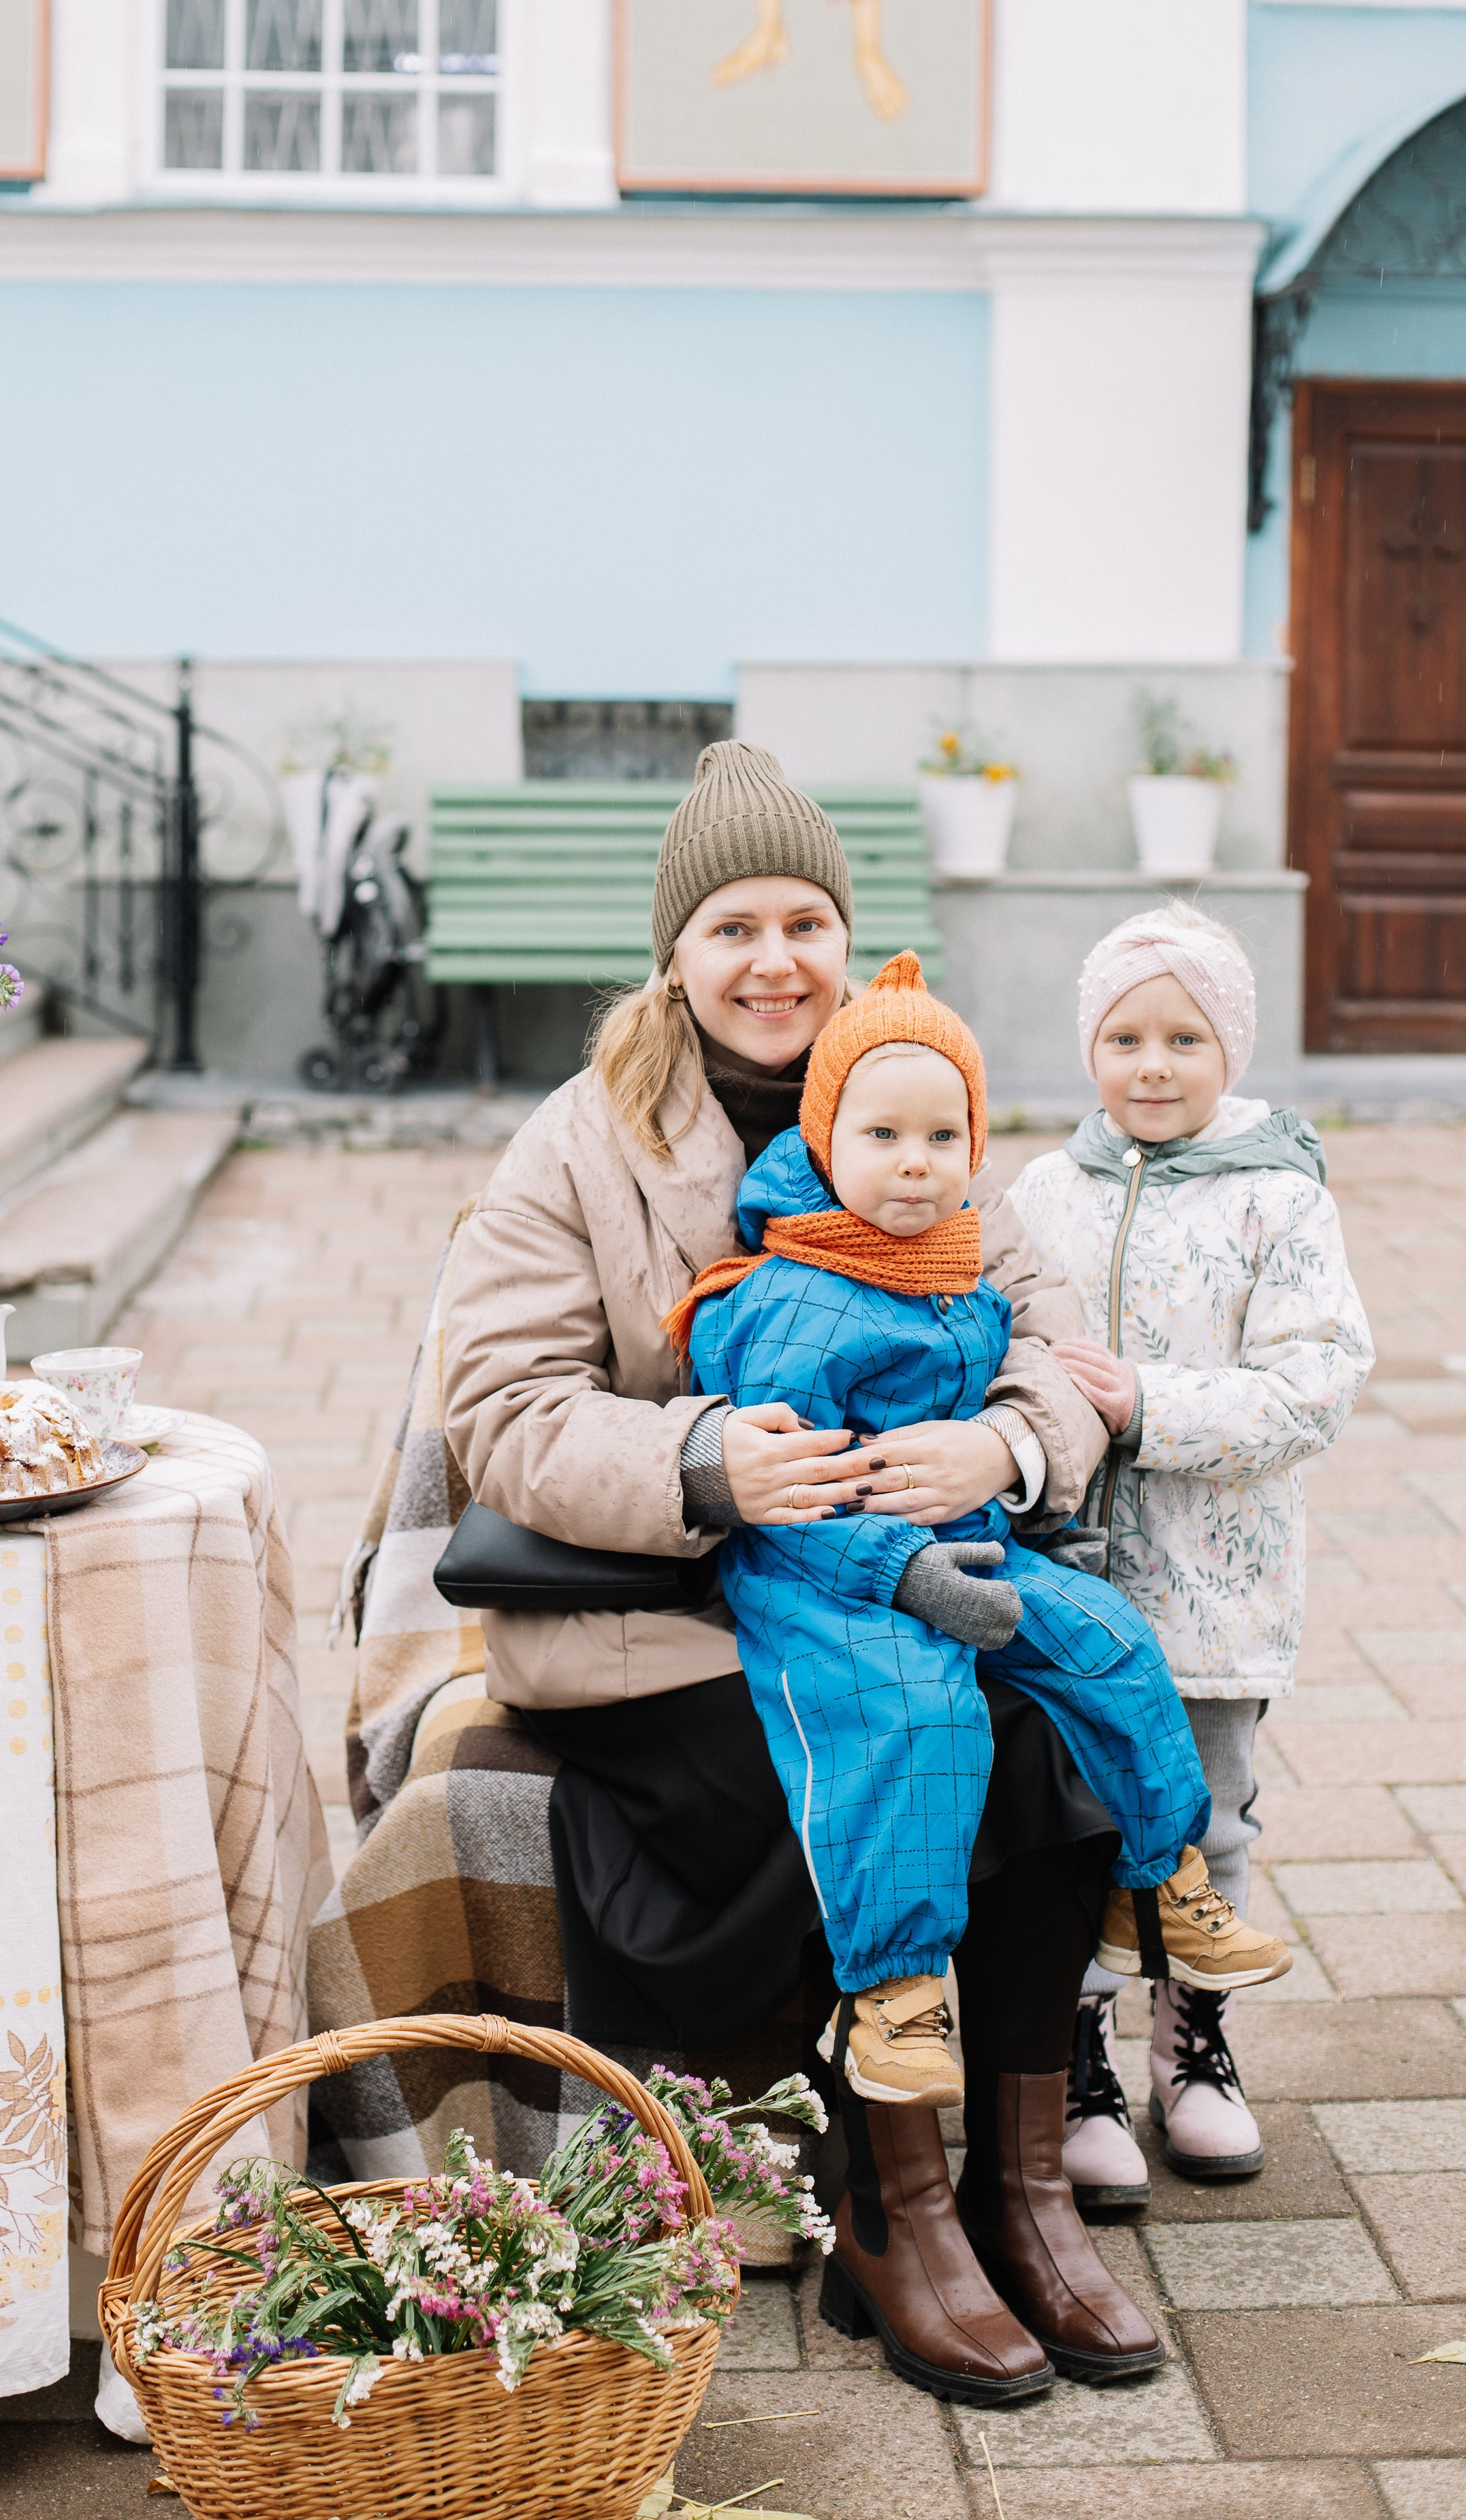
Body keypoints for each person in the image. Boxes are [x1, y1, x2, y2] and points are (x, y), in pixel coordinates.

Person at [443, 741, 1168, 2403]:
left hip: (902, 1574)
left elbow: (1059, 1335)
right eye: (731, 926)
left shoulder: (919, 1088)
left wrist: (1004, 1443)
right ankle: (890, 2206)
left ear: (849, 938)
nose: (774, 960)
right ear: (673, 954)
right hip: (668, 1618)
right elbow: (497, 1405)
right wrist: (703, 1457)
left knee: (1046, 1739)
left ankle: (1020, 2185)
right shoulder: (583, 1142)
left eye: (807, 920)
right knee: (887, 1756)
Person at [668, 951, 1290, 2130]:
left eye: (942, 1139)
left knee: (1107, 1637)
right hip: (827, 1573)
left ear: (975, 1151)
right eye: (884, 1137)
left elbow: (1035, 1374)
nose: (915, 1164)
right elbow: (794, 1495)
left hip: (968, 1538)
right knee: (920, 1716)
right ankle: (893, 1990)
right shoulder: (788, 1300)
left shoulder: (959, 1268)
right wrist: (897, 1568)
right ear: (824, 1139)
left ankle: (1157, 1885)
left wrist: (998, 1464)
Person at [1009, 901, 1373, 2201]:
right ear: (1090, 1046)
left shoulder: (1279, 1198)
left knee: (1204, 1821)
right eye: (1124, 1037)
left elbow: (1318, 1383)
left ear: (1233, 1050)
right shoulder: (1042, 1191)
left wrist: (1146, 1407)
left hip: (1215, 1584)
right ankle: (1076, 2052)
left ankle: (1195, 2046)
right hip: (1064, 1577)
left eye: (1184, 1038)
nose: (1151, 1065)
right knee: (1072, 1811)